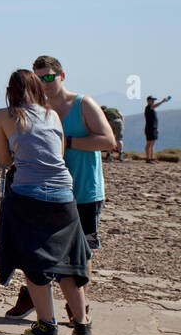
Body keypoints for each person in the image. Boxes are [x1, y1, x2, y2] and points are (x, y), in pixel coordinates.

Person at [6, 56, 115, 319]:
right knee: (39, 247)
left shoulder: (82, 104)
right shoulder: (37, 109)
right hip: (47, 191)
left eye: (48, 77)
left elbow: (108, 140)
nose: (44, 83)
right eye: (38, 78)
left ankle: (77, 307)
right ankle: (35, 297)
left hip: (84, 189)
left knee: (81, 251)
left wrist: (67, 143)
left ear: (61, 76)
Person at [0, 70, 92, 335]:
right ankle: (81, 324)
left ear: (10, 91)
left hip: (28, 193)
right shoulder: (53, 115)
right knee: (68, 260)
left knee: (33, 258)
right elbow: (58, 154)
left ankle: (47, 324)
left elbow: (3, 160)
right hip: (63, 194)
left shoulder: (3, 116)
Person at [145, 95, 171, 162]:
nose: (153, 101)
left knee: (152, 144)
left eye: (154, 100)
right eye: (152, 100)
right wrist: (162, 101)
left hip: (154, 128)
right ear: (148, 101)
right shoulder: (148, 107)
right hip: (149, 128)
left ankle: (152, 157)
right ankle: (148, 158)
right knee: (149, 143)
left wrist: (156, 128)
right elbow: (156, 105)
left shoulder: (152, 108)